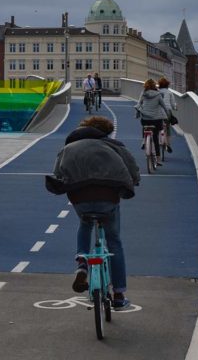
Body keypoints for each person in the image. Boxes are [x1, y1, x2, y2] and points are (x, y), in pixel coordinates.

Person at [49, 115, 140, 310]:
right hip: (108, 198)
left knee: (85, 223)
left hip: (81, 199)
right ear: (105, 132)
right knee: (114, 240)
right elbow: (132, 168)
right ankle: (118, 293)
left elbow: (57, 174)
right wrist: (134, 180)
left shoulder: (68, 147)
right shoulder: (115, 146)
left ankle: (82, 264)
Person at [136, 78, 170, 163]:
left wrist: (137, 113)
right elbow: (164, 107)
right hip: (156, 120)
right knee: (155, 137)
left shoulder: (143, 93)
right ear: (155, 86)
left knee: (144, 126)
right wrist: (168, 116)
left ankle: (144, 139)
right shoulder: (158, 95)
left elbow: (139, 104)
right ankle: (158, 158)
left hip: (145, 119)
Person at [157, 77, 178, 153]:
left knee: (157, 125)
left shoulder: (157, 92)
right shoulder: (169, 93)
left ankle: (156, 140)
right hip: (167, 111)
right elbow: (173, 105)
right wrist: (175, 107)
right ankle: (168, 144)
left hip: (158, 111)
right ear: (167, 85)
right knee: (167, 127)